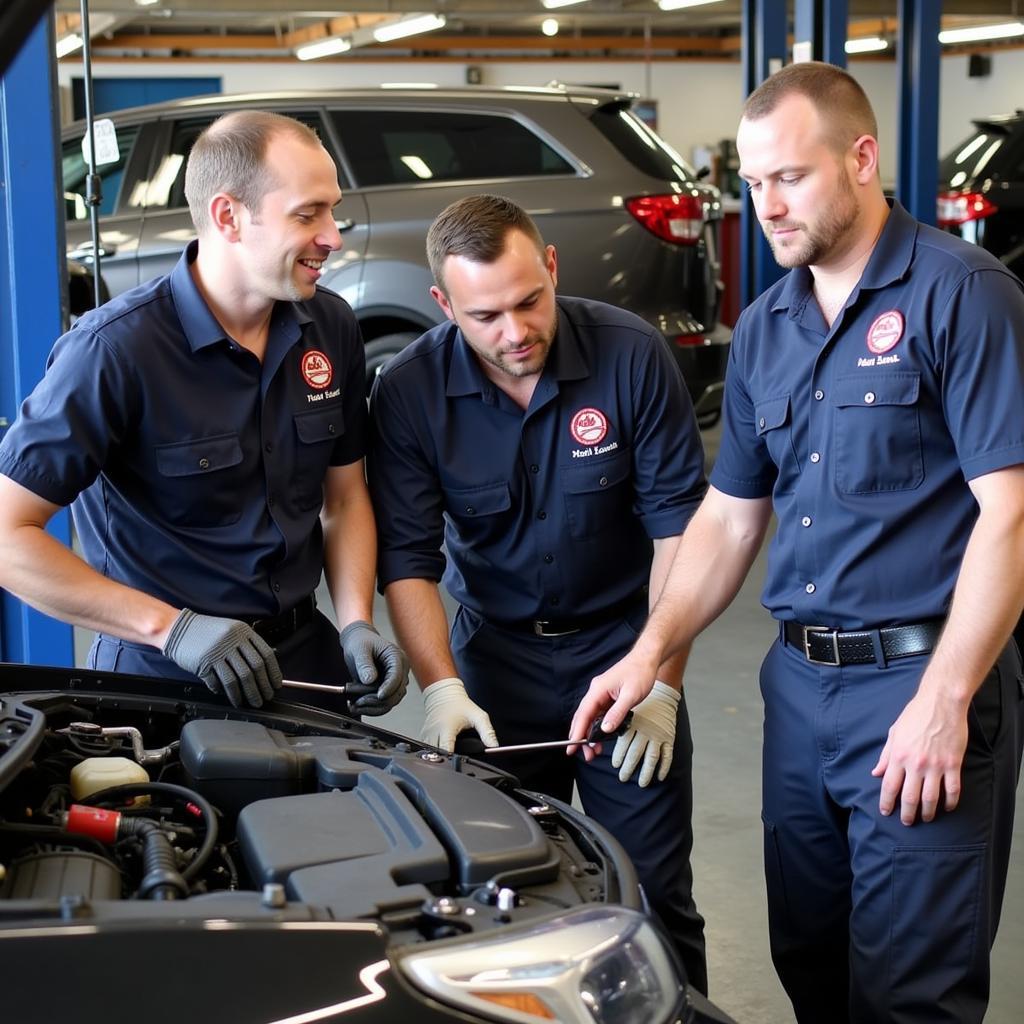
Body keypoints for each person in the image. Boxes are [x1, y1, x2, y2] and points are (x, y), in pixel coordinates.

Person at [570, 62, 1024, 1024]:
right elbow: (731, 519)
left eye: (790, 177)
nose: (767, 205)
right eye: (752, 182)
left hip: (920, 687)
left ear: (862, 159)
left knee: (911, 995)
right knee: (810, 963)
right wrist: (649, 659)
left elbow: (1011, 513)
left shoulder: (962, 294)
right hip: (798, 694)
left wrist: (945, 701)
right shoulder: (770, 324)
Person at [365, 193, 709, 992]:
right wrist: (442, 689)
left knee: (654, 900)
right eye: (486, 316)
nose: (515, 332)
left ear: (552, 267)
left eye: (530, 301)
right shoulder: (411, 393)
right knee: (508, 896)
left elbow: (679, 537)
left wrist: (659, 681)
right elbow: (407, 561)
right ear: (443, 305)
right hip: (497, 669)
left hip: (627, 655)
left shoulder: (631, 356)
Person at [0, 111, 407, 715]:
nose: (333, 236)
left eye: (332, 210)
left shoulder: (331, 326)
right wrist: (171, 628)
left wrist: (354, 621)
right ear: (227, 217)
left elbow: (343, 498)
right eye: (307, 214)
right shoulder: (113, 351)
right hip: (160, 682)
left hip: (306, 670)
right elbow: (9, 536)